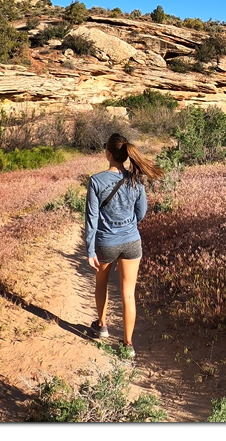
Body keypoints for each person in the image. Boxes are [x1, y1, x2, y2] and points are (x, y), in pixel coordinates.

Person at [84, 133, 164, 355]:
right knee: (128, 293)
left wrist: (90, 249)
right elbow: (142, 212)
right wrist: (128, 225)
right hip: (131, 241)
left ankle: (101, 326)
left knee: (102, 284)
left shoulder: (96, 181)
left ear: (108, 153)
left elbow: (91, 218)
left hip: (105, 242)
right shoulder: (136, 180)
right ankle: (128, 345)